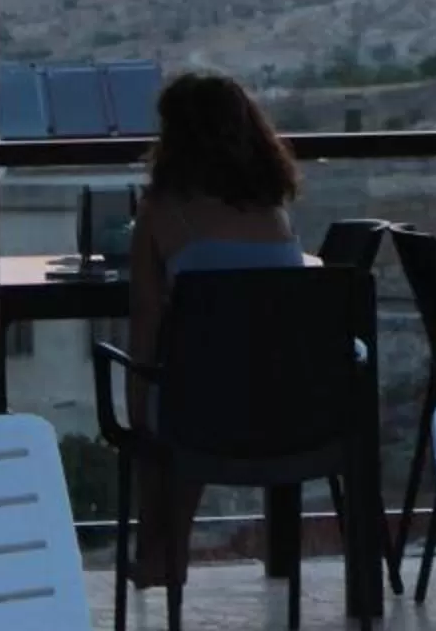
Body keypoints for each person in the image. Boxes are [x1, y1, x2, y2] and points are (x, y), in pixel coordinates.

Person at [124, 70, 306, 588]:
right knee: (208, 385)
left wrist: (135, 406)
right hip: (293, 406)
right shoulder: (276, 213)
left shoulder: (162, 212)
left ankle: (162, 552)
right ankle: (164, 554)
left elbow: (146, 318)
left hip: (204, 409)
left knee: (170, 406)